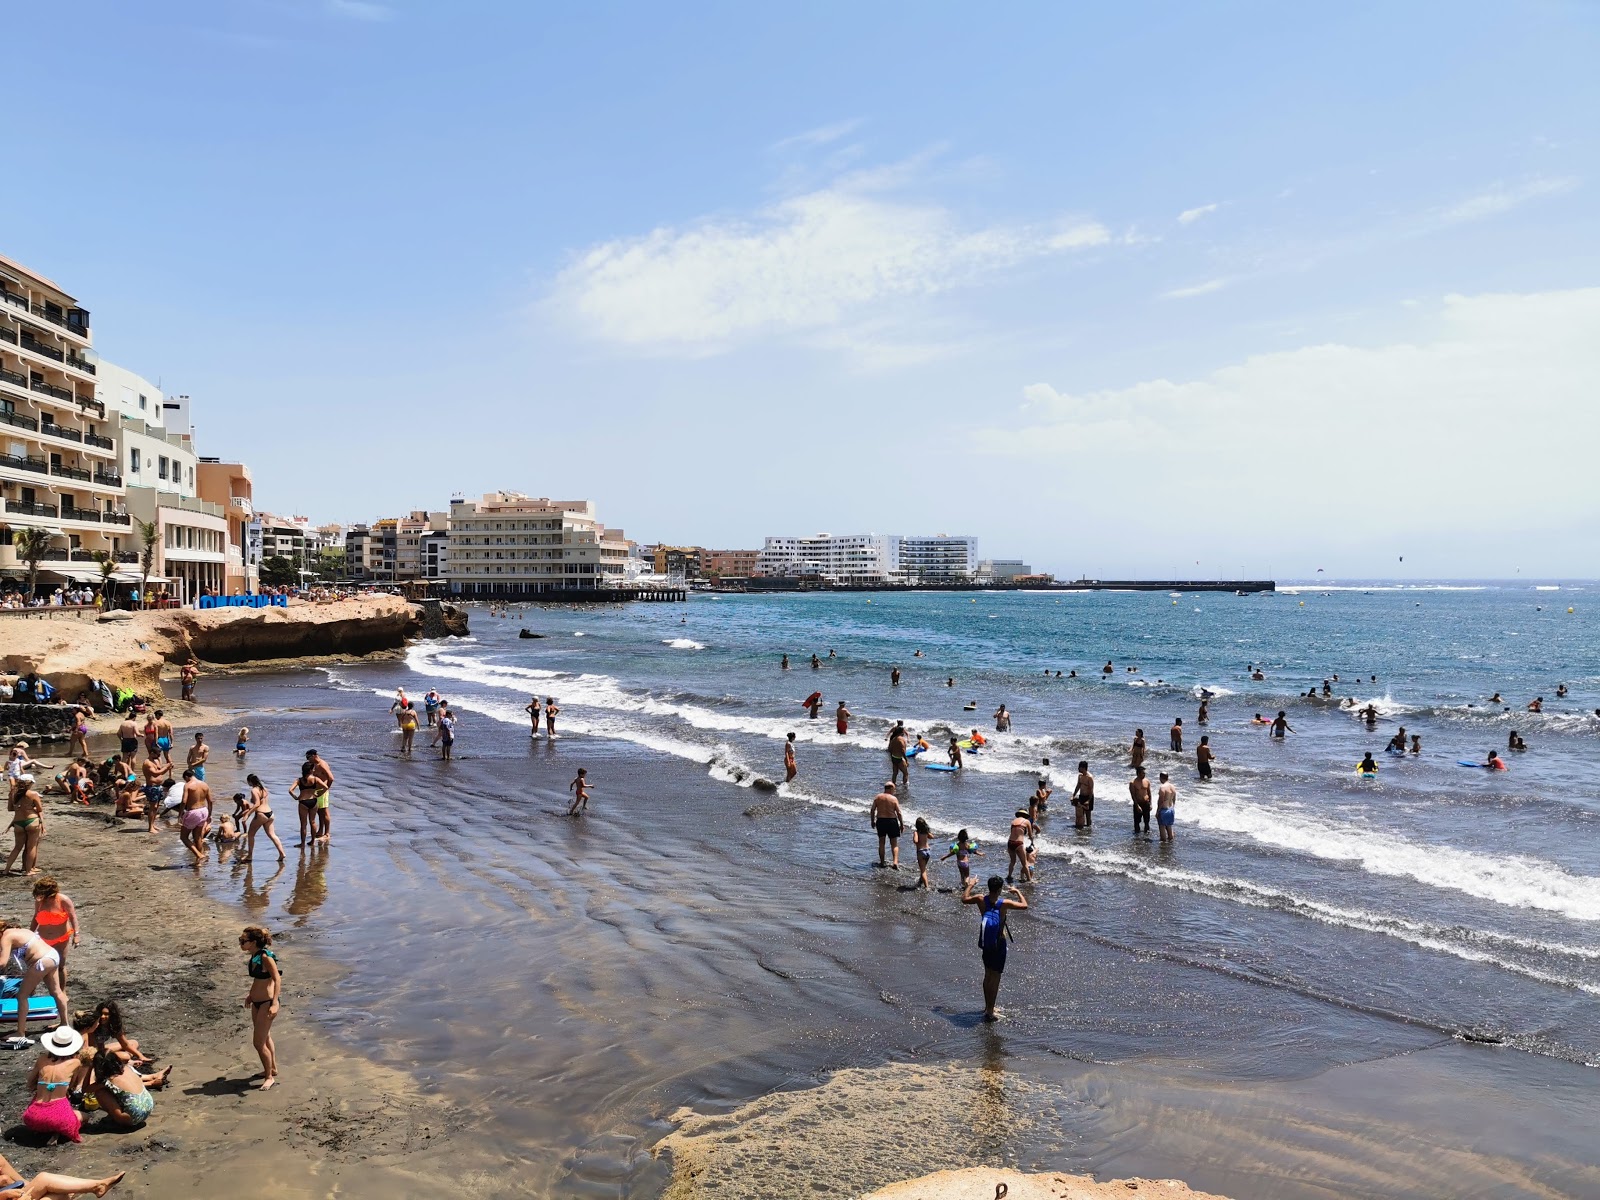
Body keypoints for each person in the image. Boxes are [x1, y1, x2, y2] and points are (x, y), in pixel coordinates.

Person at [961, 875, 1027, 1022]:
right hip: (999, 943)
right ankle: (990, 1011)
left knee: (987, 975)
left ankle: (987, 1007)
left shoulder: (980, 899)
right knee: (995, 978)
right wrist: (1017, 892)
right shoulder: (1004, 903)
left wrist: (970, 885)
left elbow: (964, 899)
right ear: (999, 889)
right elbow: (1025, 905)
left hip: (986, 942)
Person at [1, 920, 69, 1047]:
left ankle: (20, 1033)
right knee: (56, 991)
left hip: (42, 961)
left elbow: (3, 963)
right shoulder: (22, 931)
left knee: (21, 996)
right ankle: (65, 1024)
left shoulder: (6, 937)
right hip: (52, 955)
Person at [22, 1026, 85, 1143]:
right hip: (59, 1117)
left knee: (46, 1113)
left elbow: (30, 1083)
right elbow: (73, 1086)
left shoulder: (42, 1059)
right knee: (83, 1116)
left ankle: (44, 1130)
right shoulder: (75, 1063)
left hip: (33, 1116)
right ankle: (56, 1132)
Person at [240, 926, 280, 1089]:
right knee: (265, 1037)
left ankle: (269, 1076)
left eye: (243, 941)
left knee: (258, 1043)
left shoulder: (265, 957)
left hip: (267, 1003)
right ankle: (273, 1068)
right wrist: (251, 996)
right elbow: (259, 981)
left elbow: (277, 979)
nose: (241, 943)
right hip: (257, 1002)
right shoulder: (255, 956)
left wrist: (275, 1003)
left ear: (253, 942)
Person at [90, 1049, 158, 1128]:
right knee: (117, 1092)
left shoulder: (109, 1080)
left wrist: (89, 1068)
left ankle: (117, 1118)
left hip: (133, 1118)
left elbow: (86, 1089)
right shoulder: (128, 1068)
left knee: (100, 1092)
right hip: (148, 1107)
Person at [30, 879, 78, 987]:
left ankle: (62, 990)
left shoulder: (63, 900)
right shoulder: (39, 901)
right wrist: (30, 934)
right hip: (43, 939)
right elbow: (35, 917)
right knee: (39, 965)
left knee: (60, 965)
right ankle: (33, 989)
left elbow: (73, 917)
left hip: (61, 938)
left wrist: (77, 935)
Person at [240, 774, 286, 863]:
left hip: (261, 814)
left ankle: (249, 856)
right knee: (272, 835)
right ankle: (282, 853)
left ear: (250, 781)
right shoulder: (264, 789)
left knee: (250, 834)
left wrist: (247, 815)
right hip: (270, 813)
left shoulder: (254, 790)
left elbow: (257, 804)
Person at [6, 782, 44, 876]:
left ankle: (6, 870)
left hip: (18, 822)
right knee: (31, 847)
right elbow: (40, 809)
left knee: (17, 847)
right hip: (31, 820)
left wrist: (20, 808)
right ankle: (28, 870)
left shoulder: (13, 794)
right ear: (29, 784)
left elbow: (10, 808)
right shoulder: (33, 794)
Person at [178, 769, 211, 861]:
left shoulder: (188, 785)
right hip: (204, 810)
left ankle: (199, 855)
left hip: (193, 811)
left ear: (187, 777)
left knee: (183, 837)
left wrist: (180, 815)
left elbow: (184, 801)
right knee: (198, 837)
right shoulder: (205, 784)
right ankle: (199, 863)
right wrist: (210, 814)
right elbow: (210, 801)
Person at [288, 763, 324, 848]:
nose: (314, 770)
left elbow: (290, 790)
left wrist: (296, 797)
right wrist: (319, 794)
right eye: (313, 769)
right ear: (310, 770)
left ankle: (303, 843)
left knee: (303, 824)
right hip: (313, 800)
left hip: (303, 802)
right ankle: (312, 841)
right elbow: (325, 787)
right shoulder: (315, 779)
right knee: (313, 821)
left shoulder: (299, 780)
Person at [869, 783, 903, 869]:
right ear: (890, 788)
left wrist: (872, 821)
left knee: (881, 843)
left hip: (881, 821)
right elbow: (898, 812)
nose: (894, 791)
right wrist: (901, 824)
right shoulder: (894, 799)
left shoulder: (878, 797)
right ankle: (895, 862)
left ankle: (882, 862)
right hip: (892, 821)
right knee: (894, 843)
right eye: (894, 789)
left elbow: (872, 810)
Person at [305, 750, 334, 843]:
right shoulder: (315, 765)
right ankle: (320, 831)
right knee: (319, 811)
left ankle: (327, 834)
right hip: (316, 791)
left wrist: (325, 789)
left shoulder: (322, 765)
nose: (308, 761)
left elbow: (331, 778)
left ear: (314, 756)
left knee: (325, 811)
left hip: (322, 791)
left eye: (309, 758)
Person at [140, 754, 170, 836]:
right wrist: (167, 768)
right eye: (157, 754)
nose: (159, 756)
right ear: (152, 752)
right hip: (152, 787)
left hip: (158, 787)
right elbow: (156, 773)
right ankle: (150, 828)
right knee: (152, 807)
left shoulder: (156, 760)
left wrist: (167, 766)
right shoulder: (147, 763)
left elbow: (160, 769)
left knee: (156, 807)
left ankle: (153, 825)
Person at [1006, 810, 1035, 883]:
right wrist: (1032, 842)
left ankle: (1009, 876)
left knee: (1012, 861)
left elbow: (1012, 832)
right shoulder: (1026, 821)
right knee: (1024, 863)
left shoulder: (1013, 821)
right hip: (1019, 843)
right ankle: (1029, 879)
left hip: (1010, 842)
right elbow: (1030, 835)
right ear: (1025, 815)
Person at [1129, 766, 1152, 836]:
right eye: (1143, 773)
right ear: (1138, 774)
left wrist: (1150, 804)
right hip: (1138, 803)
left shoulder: (1147, 781)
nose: (1144, 775)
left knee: (1147, 821)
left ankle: (1147, 836)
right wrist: (1137, 805)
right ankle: (1137, 838)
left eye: (1144, 773)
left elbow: (1149, 793)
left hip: (1146, 803)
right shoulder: (1133, 782)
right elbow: (1133, 795)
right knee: (1137, 822)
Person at [1071, 761, 1095, 829]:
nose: (1078, 769)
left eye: (1079, 767)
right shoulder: (1080, 776)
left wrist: (1088, 800)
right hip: (1081, 796)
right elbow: (1078, 785)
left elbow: (1091, 790)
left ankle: (1089, 829)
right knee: (1080, 814)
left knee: (1088, 815)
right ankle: (1081, 829)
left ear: (1084, 768)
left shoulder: (1089, 777)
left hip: (1088, 797)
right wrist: (1074, 795)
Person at [912, 817, 933, 888]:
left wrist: (915, 837)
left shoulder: (916, 832)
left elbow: (916, 841)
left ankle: (927, 887)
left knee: (923, 870)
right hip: (928, 851)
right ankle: (921, 881)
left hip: (921, 852)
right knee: (923, 868)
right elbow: (932, 837)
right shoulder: (926, 831)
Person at [1156, 772, 1177, 842]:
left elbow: (1161, 801)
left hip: (1164, 810)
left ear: (1161, 778)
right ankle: (1171, 844)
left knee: (1162, 828)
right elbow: (1174, 799)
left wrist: (1157, 811)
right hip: (1171, 809)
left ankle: (1164, 846)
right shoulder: (1173, 787)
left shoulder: (1162, 787)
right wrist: (1173, 807)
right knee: (1169, 827)